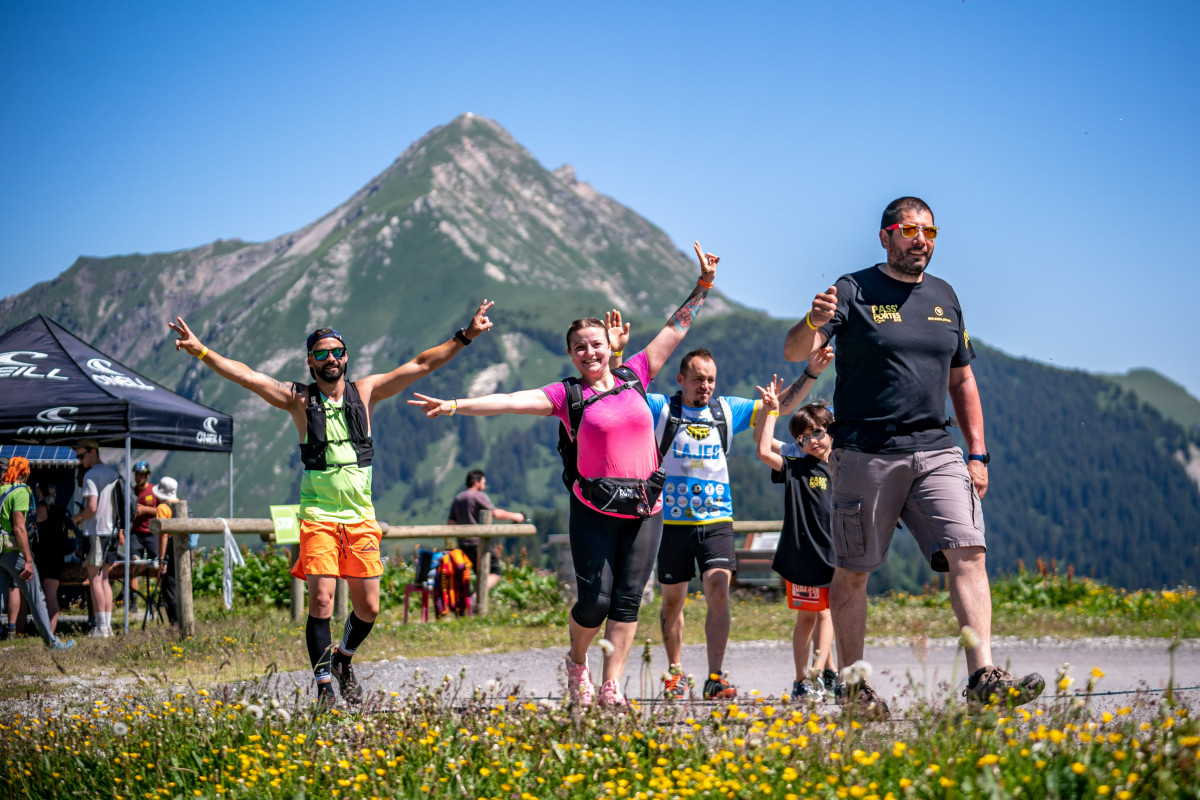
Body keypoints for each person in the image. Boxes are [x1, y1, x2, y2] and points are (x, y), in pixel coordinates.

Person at [411, 241, 718, 708]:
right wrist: (454, 405)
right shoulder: (566, 395)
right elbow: (509, 401)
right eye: (580, 348)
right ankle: (578, 662)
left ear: (609, 347)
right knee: (595, 602)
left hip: (646, 507)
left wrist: (703, 285)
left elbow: (676, 329)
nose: (589, 352)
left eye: (596, 344)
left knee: (628, 601)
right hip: (594, 509)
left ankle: (611, 686)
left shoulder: (636, 374)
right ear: (572, 355)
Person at [783, 196, 1044, 713]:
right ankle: (855, 689)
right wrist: (811, 321)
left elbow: (961, 379)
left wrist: (978, 454)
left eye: (930, 231)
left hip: (936, 448)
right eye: (909, 230)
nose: (920, 240)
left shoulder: (945, 295)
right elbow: (795, 350)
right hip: (866, 452)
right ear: (886, 236)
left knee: (969, 549)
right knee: (854, 571)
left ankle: (984, 677)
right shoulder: (852, 289)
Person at [169, 300, 495, 709]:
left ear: (346, 357)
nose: (330, 359)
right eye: (321, 354)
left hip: (361, 518)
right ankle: (324, 687)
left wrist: (465, 336)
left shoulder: (367, 392)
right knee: (322, 600)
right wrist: (201, 350)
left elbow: (420, 364)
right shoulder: (297, 399)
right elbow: (248, 376)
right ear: (310, 361)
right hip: (319, 516)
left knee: (369, 607)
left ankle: (343, 658)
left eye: (337, 352)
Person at [607, 336, 825, 701]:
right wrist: (617, 354)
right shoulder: (662, 408)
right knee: (673, 601)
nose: (705, 385)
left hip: (717, 520)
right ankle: (676, 673)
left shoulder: (726, 411)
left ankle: (715, 677)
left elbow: (780, 406)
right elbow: (621, 394)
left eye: (710, 379)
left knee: (719, 590)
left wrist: (811, 372)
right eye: (698, 379)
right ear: (681, 379)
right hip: (671, 522)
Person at [754, 373, 841, 700]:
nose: (812, 441)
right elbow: (764, 451)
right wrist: (771, 412)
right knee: (808, 617)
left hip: (833, 555)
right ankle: (803, 679)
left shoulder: (843, 467)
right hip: (802, 556)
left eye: (817, 433)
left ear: (830, 431)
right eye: (803, 438)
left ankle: (820, 672)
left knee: (827, 612)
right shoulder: (796, 467)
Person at [0, 457, 75, 649]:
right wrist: (28, 559)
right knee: (36, 596)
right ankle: (52, 642)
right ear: (25, 473)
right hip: (12, 551)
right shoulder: (21, 492)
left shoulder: (2, 490)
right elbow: (19, 528)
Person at [72, 440, 121, 638]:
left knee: (95, 579)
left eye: (81, 455)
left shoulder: (91, 475)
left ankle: (100, 628)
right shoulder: (114, 473)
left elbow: (91, 507)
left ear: (93, 451)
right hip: (111, 531)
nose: (80, 460)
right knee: (105, 579)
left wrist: (77, 517)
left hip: (96, 532)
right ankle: (107, 626)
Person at [446, 469, 526, 591]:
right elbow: (496, 513)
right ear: (476, 482)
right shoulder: (477, 496)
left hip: (463, 545)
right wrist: (516, 516)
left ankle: (474, 598)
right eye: (483, 482)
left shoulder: (458, 498)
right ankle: (476, 597)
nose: (484, 485)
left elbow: (451, 522)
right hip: (478, 543)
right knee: (495, 571)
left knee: (480, 574)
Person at [126, 461, 159, 612]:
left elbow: (162, 511)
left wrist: (145, 510)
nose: (138, 477)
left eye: (141, 475)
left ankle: (159, 598)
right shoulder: (132, 492)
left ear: (147, 476)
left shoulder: (154, 491)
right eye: (136, 474)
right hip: (136, 533)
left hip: (152, 533)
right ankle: (133, 602)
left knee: (159, 565)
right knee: (134, 564)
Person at [152, 476, 181, 626]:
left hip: (170, 551)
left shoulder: (162, 508)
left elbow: (163, 535)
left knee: (169, 588)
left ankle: (175, 623)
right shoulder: (180, 505)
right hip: (183, 550)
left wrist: (162, 559)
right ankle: (183, 620)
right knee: (180, 586)